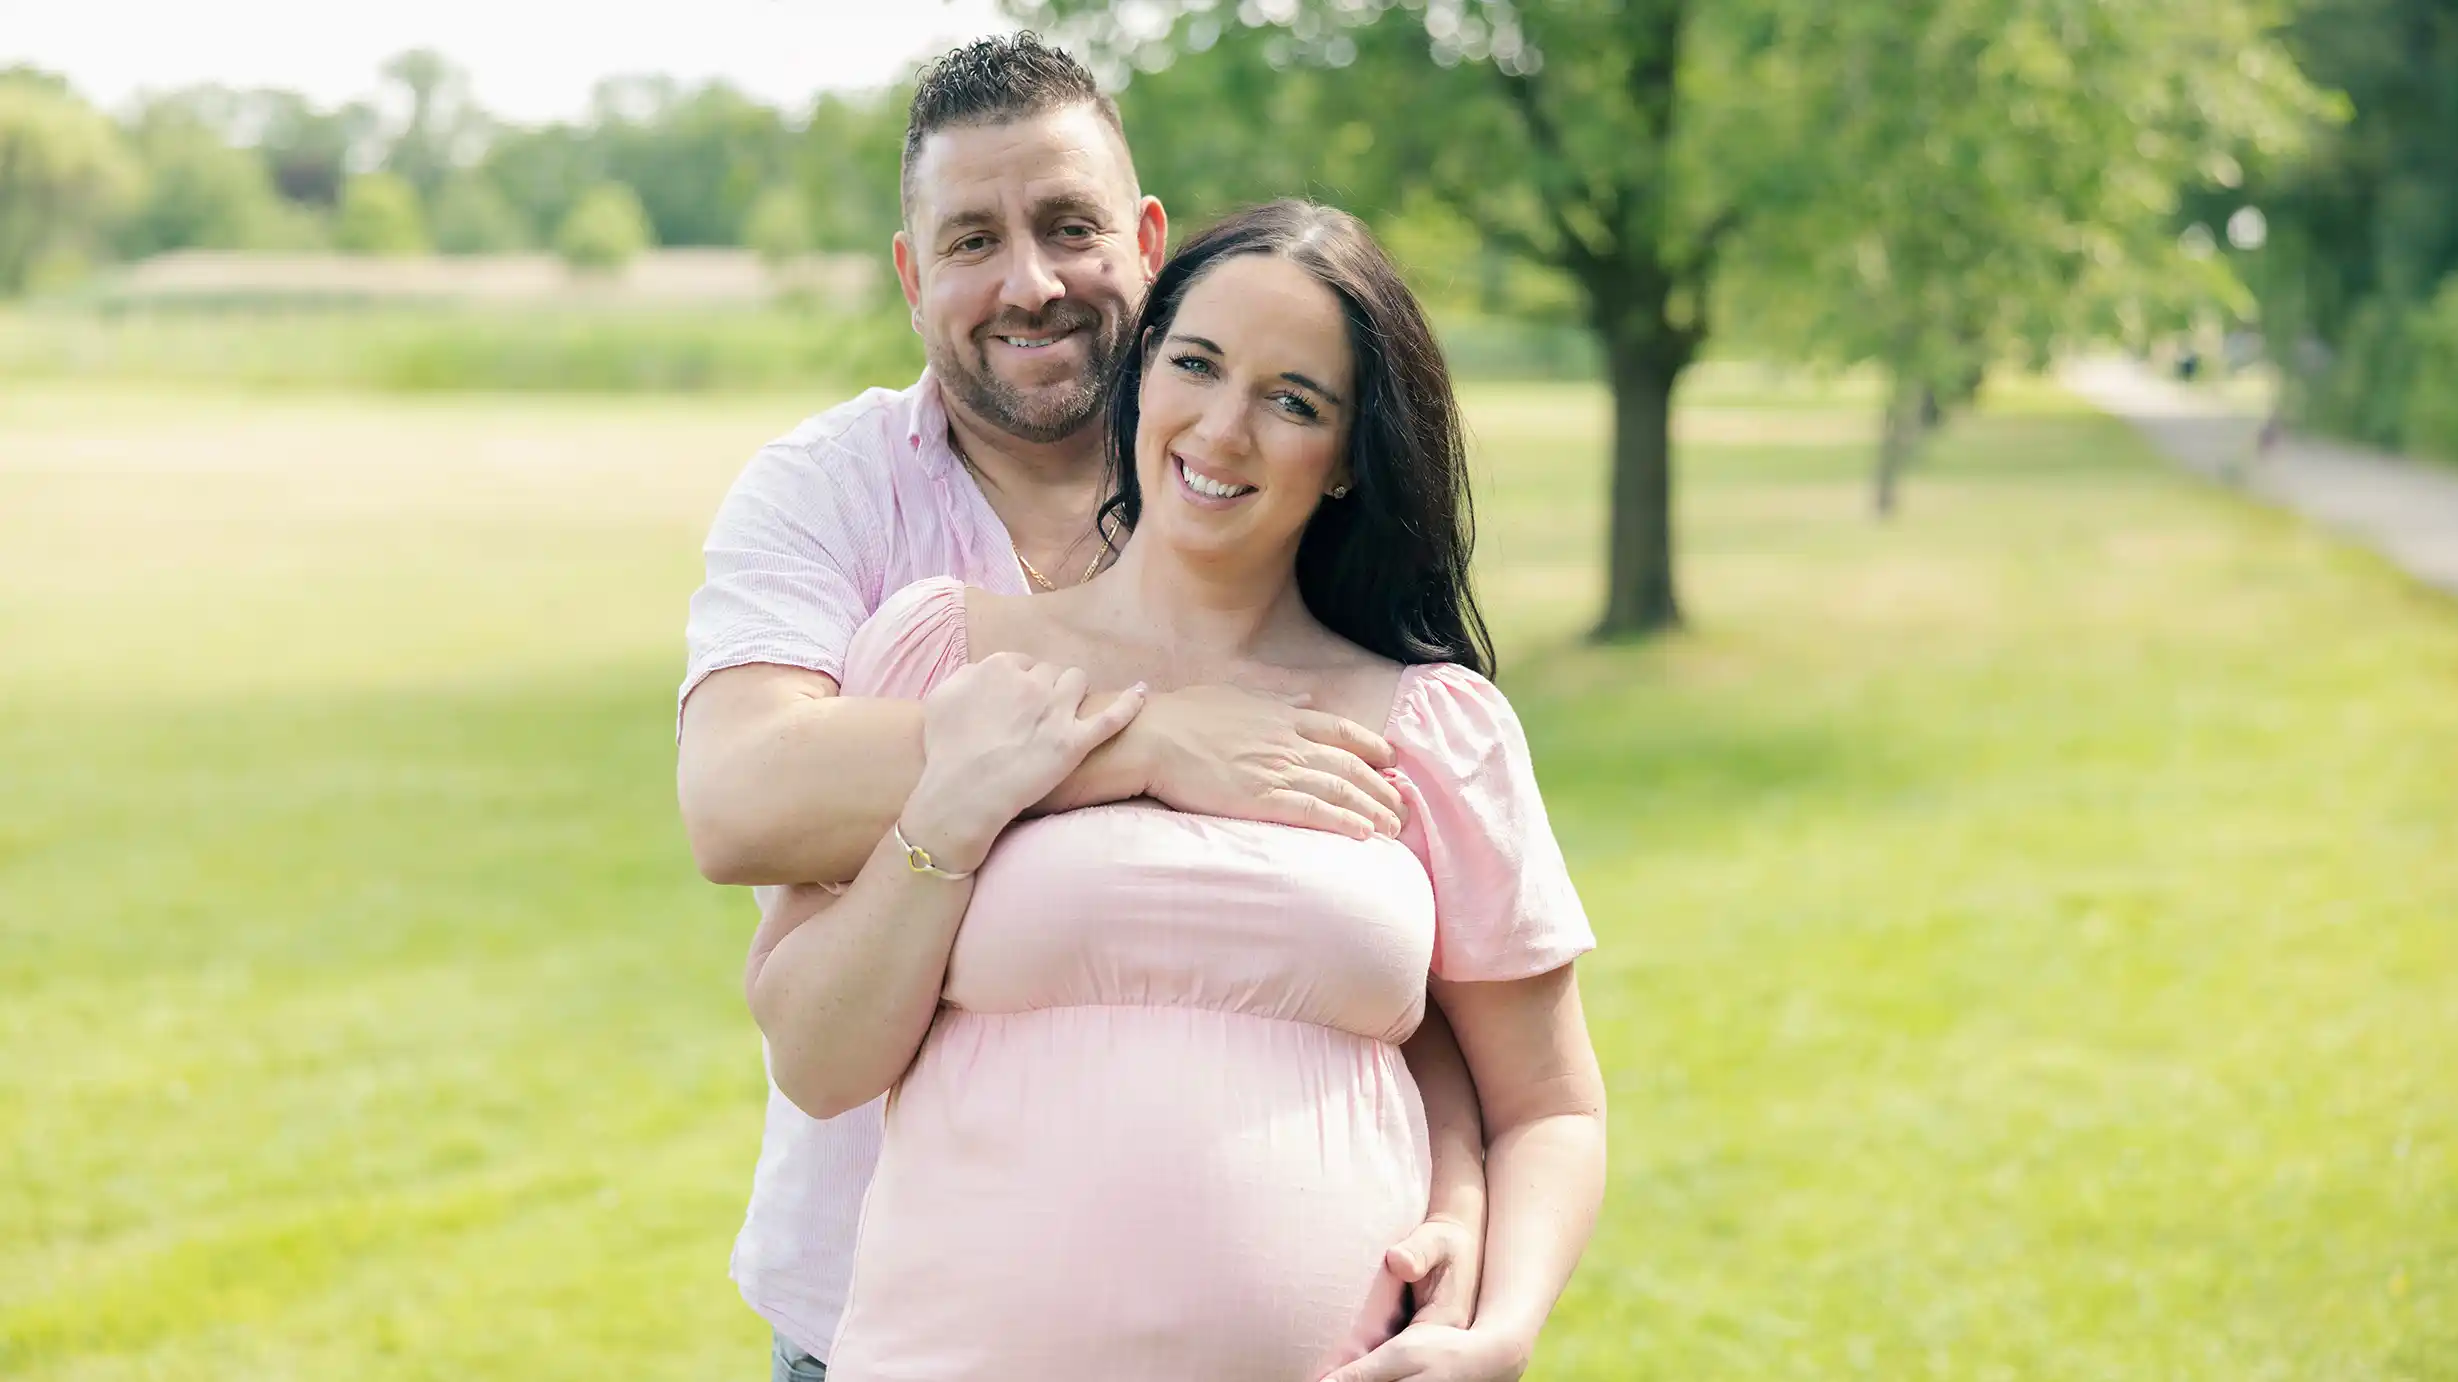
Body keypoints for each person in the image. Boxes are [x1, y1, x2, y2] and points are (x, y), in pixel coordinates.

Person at [676, 37, 1493, 1381]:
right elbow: (741, 795)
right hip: (883, 1312)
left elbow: (1417, 940)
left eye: (1068, 227)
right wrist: (1141, 742)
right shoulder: (833, 498)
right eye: (971, 240)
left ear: (1146, 237)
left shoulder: (1248, 486)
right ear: (908, 272)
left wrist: (1458, 1181)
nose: (1030, 283)